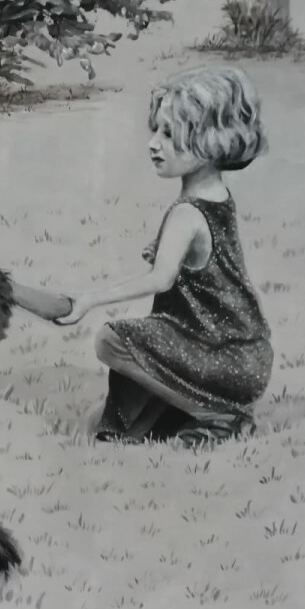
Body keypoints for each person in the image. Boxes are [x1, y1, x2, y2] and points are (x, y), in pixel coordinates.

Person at [56, 66, 273, 446]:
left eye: (169, 134)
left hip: (221, 356)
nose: (153, 143)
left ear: (208, 141)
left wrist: (88, 299)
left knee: (110, 341)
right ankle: (191, 412)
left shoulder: (186, 212)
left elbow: (161, 279)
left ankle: (218, 415)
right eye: (156, 129)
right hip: (245, 356)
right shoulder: (217, 198)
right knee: (98, 419)